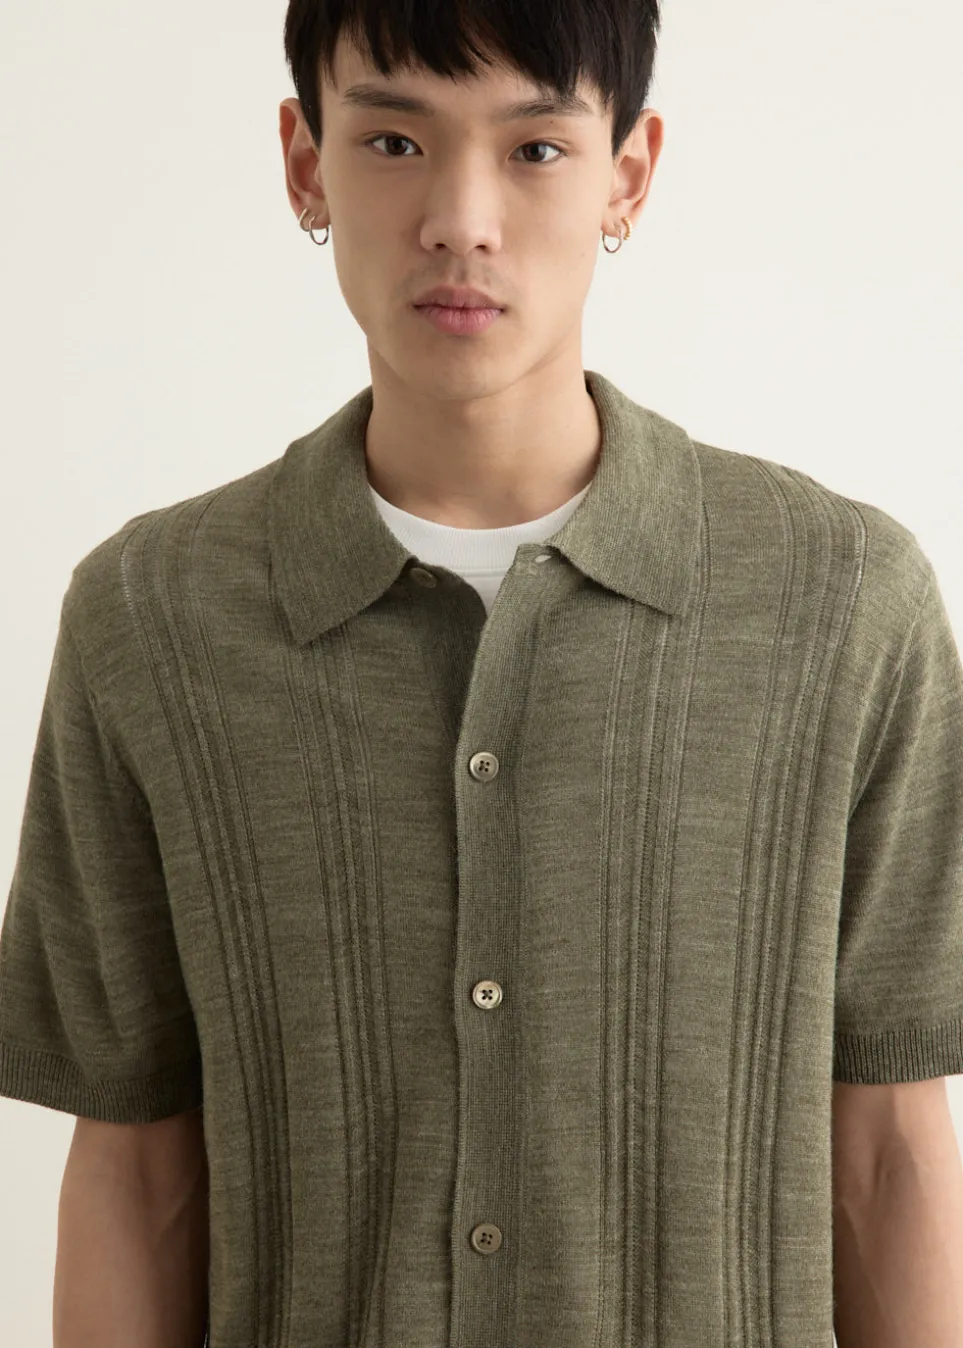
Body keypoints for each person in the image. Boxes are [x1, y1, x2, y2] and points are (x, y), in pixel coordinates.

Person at [3, 3, 963, 1347]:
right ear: (304, 162)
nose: (461, 220)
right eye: (394, 141)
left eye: (535, 149)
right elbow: (137, 1168)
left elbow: (887, 1150)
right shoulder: (152, 619)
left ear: (628, 173)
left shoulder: (842, 604)